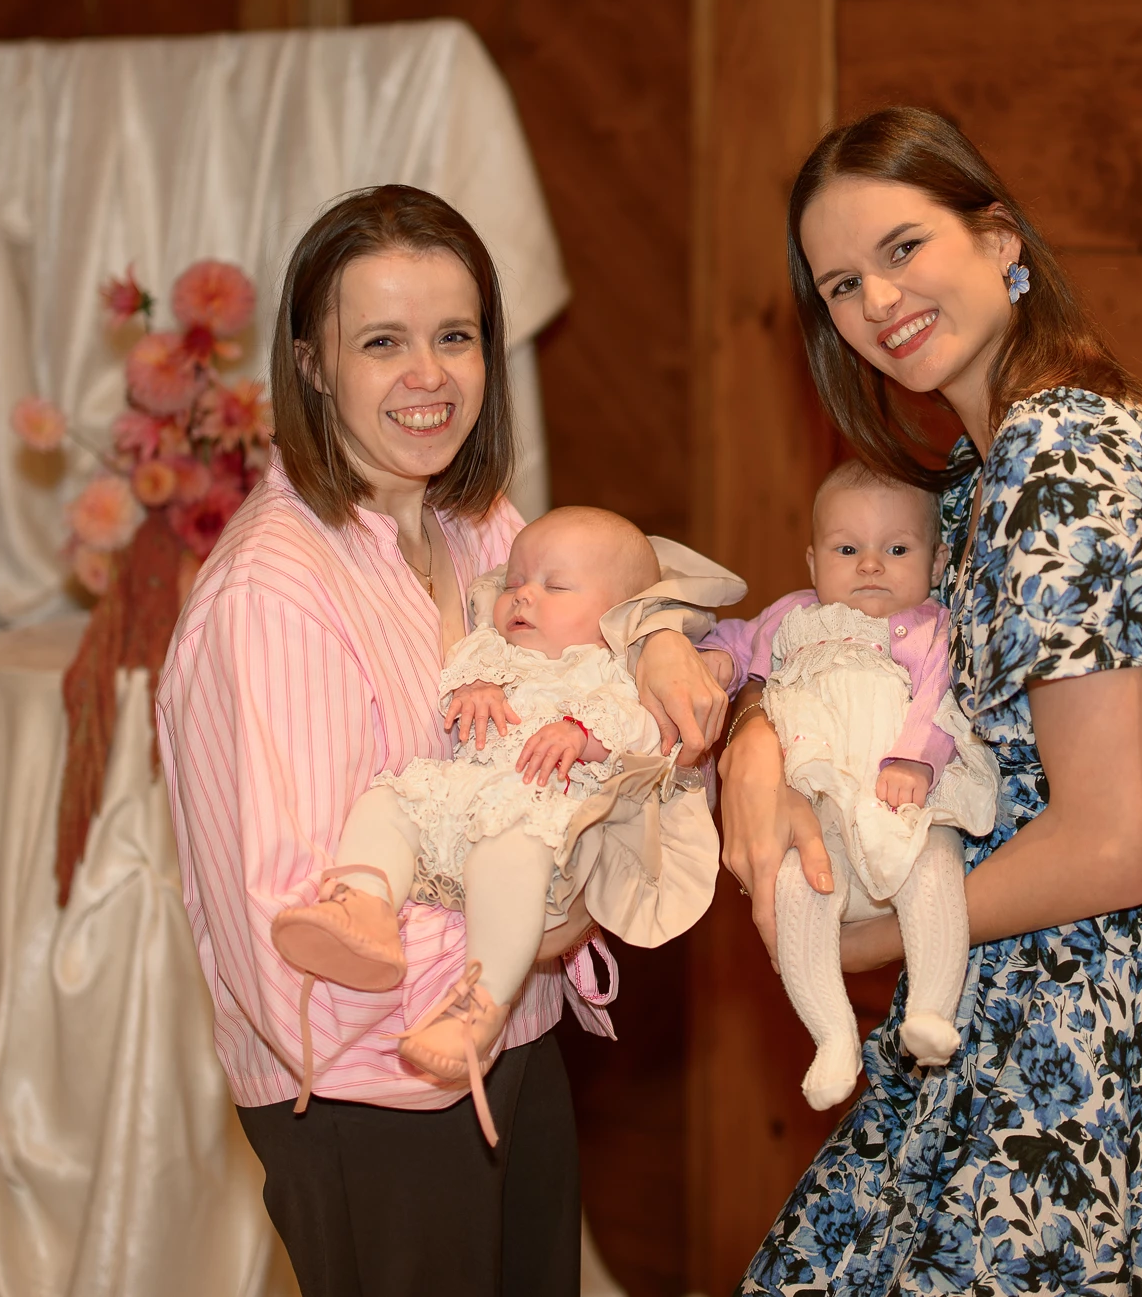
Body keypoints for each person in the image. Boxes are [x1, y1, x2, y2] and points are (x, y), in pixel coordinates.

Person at [723, 108, 1142, 1294]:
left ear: (997, 238)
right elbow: (849, 654)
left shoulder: (1056, 456)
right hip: (1026, 988)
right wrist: (752, 742)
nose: (876, 301)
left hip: (1080, 1026)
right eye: (839, 284)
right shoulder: (979, 470)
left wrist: (870, 937)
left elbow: (1111, 846)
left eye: (901, 248)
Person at [156, 185, 727, 1297]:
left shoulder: (477, 525)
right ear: (312, 364)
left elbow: (606, 609)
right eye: (383, 342)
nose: (430, 376)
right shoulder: (272, 596)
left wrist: (656, 636)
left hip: (514, 1042)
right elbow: (291, 946)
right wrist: (555, 917)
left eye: (455, 336)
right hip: (372, 1090)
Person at [271, 506, 693, 1140]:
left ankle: (478, 1005)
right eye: (515, 580)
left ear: (616, 617)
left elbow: (641, 732)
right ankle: (362, 908)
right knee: (387, 801)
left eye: (555, 585)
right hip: (458, 800)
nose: (522, 594)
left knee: (510, 853)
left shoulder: (609, 672)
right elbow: (458, 676)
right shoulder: (490, 650)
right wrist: (472, 690)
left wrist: (582, 735)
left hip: (535, 813)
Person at [696, 461, 995, 1110]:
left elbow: (939, 701)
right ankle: (832, 1035)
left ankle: (931, 1009)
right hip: (821, 805)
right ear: (812, 561)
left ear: (938, 561)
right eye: (846, 549)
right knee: (797, 883)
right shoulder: (792, 617)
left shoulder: (932, 627)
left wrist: (915, 761)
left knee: (935, 868)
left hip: (900, 801)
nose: (870, 565)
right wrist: (718, 660)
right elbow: (738, 641)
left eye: (897, 549)